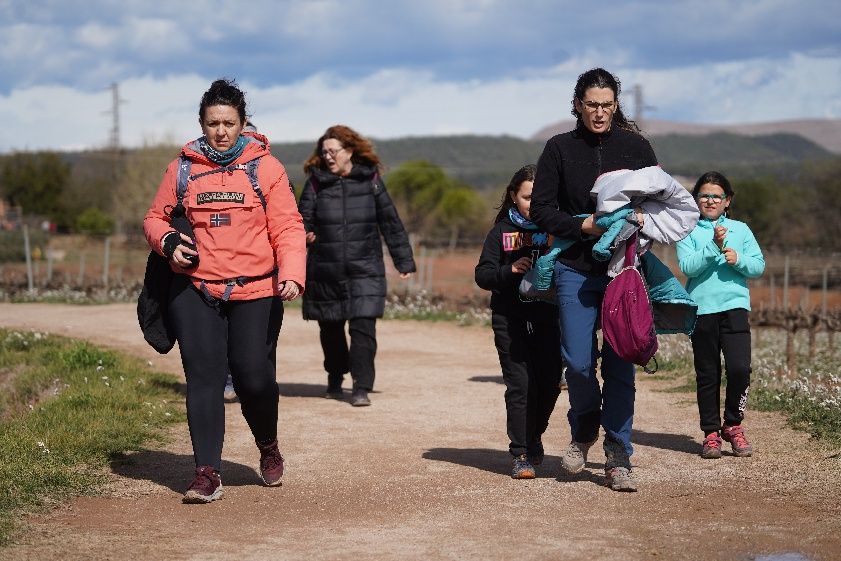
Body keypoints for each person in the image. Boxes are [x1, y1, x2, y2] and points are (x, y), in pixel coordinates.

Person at [143, 79, 306, 503]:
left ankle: (268, 446)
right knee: (204, 377)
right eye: (213, 123)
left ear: (242, 123)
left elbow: (287, 225)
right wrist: (168, 243)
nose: (220, 131)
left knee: (253, 377)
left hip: (256, 290)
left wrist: (292, 272)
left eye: (229, 123)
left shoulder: (265, 167)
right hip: (195, 289)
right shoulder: (182, 167)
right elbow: (154, 219)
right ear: (202, 123)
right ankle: (206, 473)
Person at [530, 67, 658, 492]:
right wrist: (584, 227)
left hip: (624, 271)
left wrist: (636, 226)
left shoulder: (637, 147)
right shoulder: (559, 149)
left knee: (622, 363)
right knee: (579, 363)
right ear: (578, 105)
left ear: (615, 105)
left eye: (606, 105)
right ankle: (584, 432)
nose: (599, 113)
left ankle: (619, 455)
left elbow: (658, 203)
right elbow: (541, 210)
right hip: (573, 268)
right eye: (591, 105)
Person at [298, 125, 415, 407]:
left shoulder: (370, 180)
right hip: (325, 270)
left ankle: (361, 385)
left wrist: (404, 260)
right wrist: (305, 233)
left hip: (365, 269)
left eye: (333, 151)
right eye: (323, 151)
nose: (327, 156)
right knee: (331, 331)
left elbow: (391, 221)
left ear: (349, 151)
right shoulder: (316, 183)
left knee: (364, 330)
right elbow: (300, 220)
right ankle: (335, 375)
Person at [475, 164, 562, 479]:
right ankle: (521, 453)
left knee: (551, 383)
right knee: (521, 385)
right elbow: (482, 275)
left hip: (549, 319)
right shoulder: (501, 233)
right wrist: (508, 272)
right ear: (514, 196)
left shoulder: (558, 231)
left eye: (539, 196)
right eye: (527, 196)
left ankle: (534, 434)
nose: (532, 202)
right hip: (509, 318)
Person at [676, 171, 765, 459]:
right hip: (701, 311)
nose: (710, 200)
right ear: (696, 200)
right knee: (707, 374)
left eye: (716, 196)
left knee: (740, 369)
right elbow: (687, 267)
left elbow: (758, 266)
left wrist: (738, 259)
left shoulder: (741, 230)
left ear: (728, 201)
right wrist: (713, 246)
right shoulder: (687, 231)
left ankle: (733, 424)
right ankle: (711, 433)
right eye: (704, 195)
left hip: (735, 308)